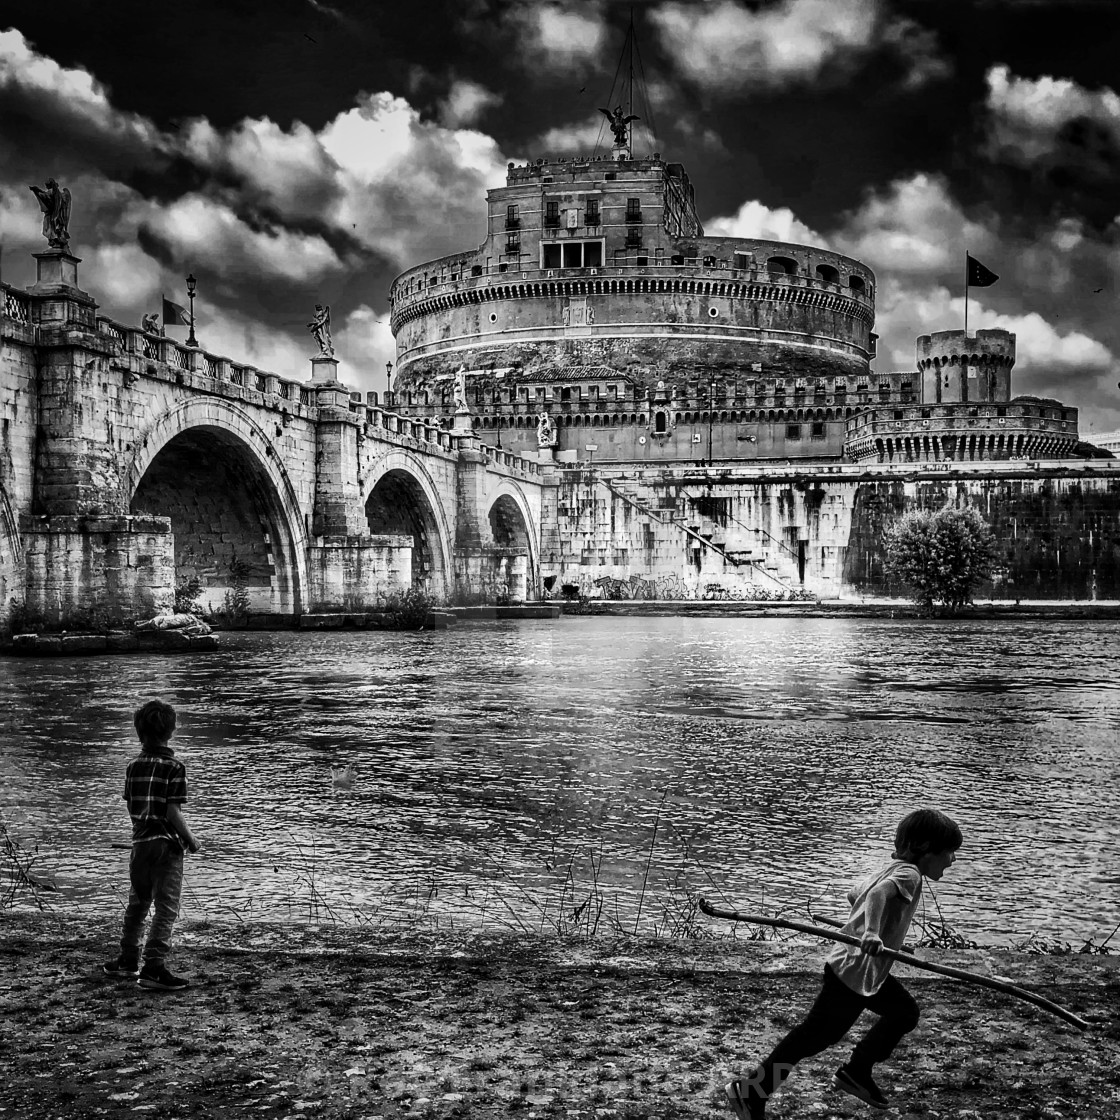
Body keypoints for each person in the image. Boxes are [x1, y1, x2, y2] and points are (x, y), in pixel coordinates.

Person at [726, 808, 963, 1118]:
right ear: (926, 849)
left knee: (897, 1014)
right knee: (813, 1037)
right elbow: (876, 895)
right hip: (854, 972)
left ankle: (856, 1070)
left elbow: (857, 894)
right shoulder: (911, 873)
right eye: (949, 852)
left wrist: (887, 934)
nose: (953, 860)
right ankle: (754, 1091)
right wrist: (872, 932)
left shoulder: (892, 867)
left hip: (856, 968)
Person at [103, 700, 202, 991]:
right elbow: (173, 812)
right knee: (166, 908)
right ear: (171, 732)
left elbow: (131, 805)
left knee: (137, 903)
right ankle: (154, 967)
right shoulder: (175, 767)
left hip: (140, 844)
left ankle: (127, 960)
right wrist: (192, 840)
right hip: (166, 847)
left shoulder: (132, 767)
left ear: (139, 733)